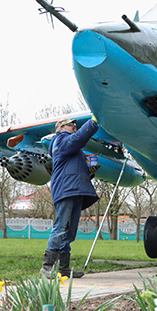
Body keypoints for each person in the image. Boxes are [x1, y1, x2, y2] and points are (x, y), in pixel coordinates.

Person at [41, 117, 99, 279]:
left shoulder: (69, 146)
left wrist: (89, 170)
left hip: (75, 190)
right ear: (60, 127)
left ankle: (64, 268)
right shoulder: (60, 140)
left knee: (70, 231)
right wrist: (93, 122)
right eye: (70, 124)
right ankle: (47, 266)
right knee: (60, 228)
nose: (74, 126)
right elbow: (78, 138)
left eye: (75, 124)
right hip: (66, 190)